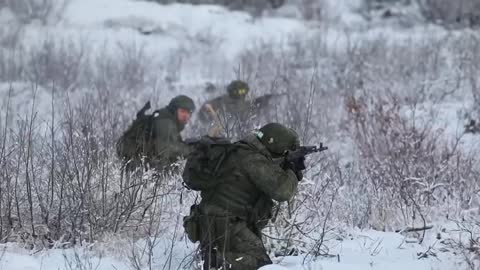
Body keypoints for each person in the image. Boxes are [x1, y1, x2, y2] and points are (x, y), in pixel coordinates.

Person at [185, 123, 303, 270]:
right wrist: (292, 170)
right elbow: (283, 191)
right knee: (260, 265)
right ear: (275, 148)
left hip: (209, 220)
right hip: (227, 223)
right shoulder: (253, 159)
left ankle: (214, 258)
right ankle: (216, 262)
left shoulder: (240, 149)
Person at [117, 95, 196, 172]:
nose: (186, 116)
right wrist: (192, 149)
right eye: (183, 111)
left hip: (140, 166)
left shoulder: (167, 119)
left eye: (189, 112)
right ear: (174, 110)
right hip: (141, 168)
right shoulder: (165, 123)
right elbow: (166, 150)